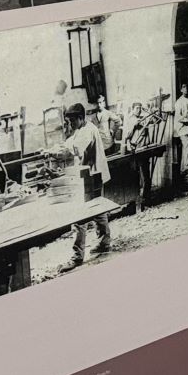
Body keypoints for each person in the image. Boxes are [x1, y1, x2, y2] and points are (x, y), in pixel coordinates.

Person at [57, 103, 113, 261]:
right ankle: (104, 242)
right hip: (90, 174)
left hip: (92, 175)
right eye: (69, 122)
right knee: (98, 211)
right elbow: (70, 142)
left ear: (81, 118)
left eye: (72, 121)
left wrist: (60, 152)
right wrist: (58, 147)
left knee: (81, 213)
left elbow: (75, 148)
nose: (71, 124)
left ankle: (77, 255)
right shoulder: (81, 129)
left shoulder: (88, 130)